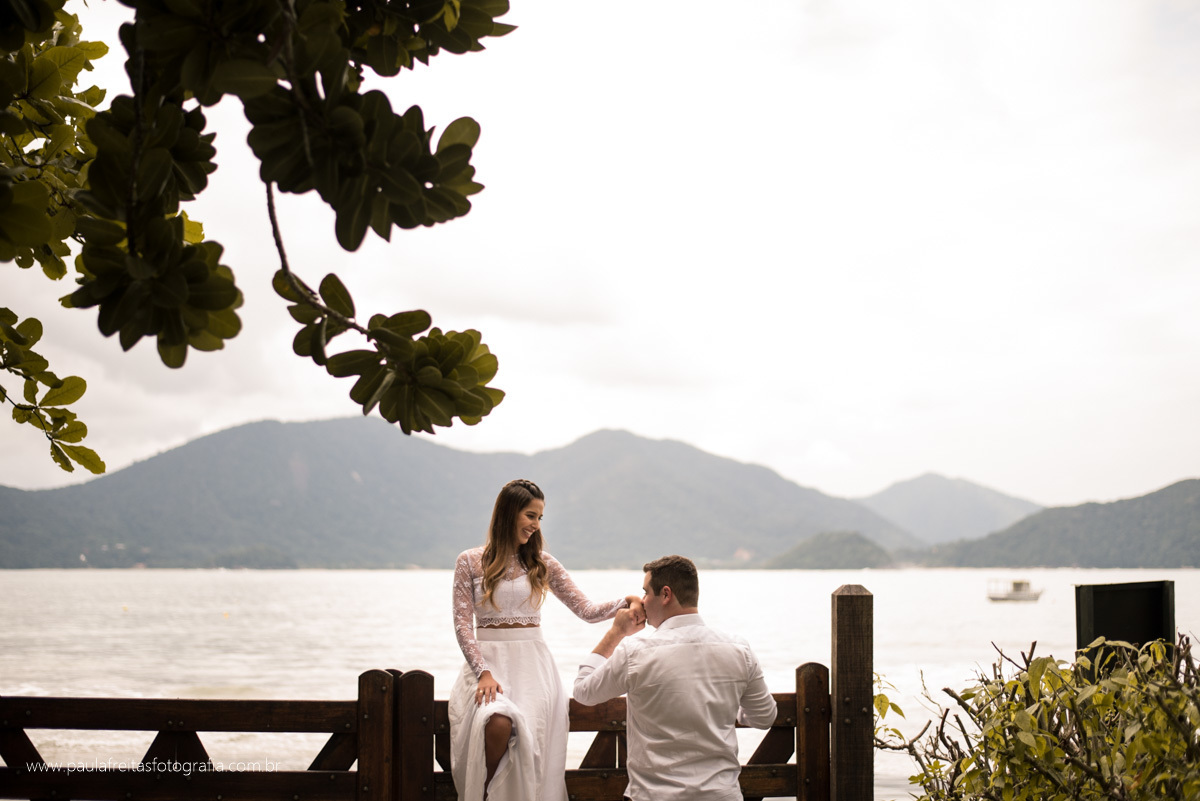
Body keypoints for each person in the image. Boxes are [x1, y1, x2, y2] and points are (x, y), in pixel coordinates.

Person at [449, 479, 644, 801]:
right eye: (530, 515)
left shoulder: (543, 562)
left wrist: (627, 600)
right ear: (509, 513)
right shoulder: (469, 561)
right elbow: (462, 625)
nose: (535, 525)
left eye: (540, 517)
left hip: (534, 670)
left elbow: (587, 610)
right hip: (487, 667)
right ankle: (483, 795)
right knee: (495, 722)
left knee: (534, 751)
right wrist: (482, 672)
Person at [573, 554, 778, 801]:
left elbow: (584, 692)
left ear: (666, 594)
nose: (643, 602)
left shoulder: (636, 652)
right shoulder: (739, 649)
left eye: (646, 592)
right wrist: (729, 710)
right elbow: (765, 716)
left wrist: (616, 632)